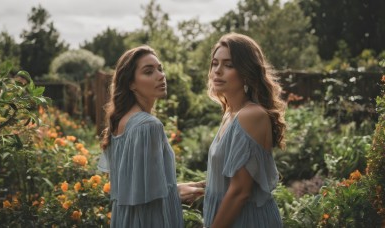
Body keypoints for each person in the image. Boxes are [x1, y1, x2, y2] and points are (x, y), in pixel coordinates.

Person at [97, 45, 204, 228]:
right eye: (148, 72)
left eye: (160, 69)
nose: (160, 75)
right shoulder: (148, 126)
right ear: (131, 83)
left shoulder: (121, 122)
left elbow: (139, 189)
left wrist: (178, 188)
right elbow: (150, 204)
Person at [203, 33, 286, 228]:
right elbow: (228, 178)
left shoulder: (251, 115)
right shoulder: (230, 114)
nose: (218, 71)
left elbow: (240, 192)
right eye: (215, 63)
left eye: (228, 65)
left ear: (246, 72)